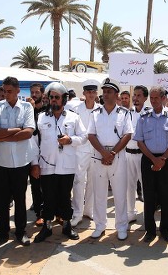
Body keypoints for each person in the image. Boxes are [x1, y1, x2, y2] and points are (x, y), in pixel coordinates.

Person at [0, 76, 38, 247]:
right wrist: (17, 130)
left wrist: (5, 135)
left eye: (9, 91)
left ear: (18, 91)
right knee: (1, 200)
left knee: (20, 199)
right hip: (0, 162)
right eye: (4, 91)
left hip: (20, 163)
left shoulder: (26, 107)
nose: (6, 94)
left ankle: (20, 232)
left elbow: (29, 132)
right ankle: (1, 234)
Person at [33, 82, 87, 242]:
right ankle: (47, 227)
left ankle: (67, 226)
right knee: (48, 198)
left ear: (64, 99)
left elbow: (84, 137)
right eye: (51, 97)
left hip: (67, 166)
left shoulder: (73, 117)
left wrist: (70, 140)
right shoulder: (41, 118)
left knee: (65, 197)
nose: (54, 100)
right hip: (47, 165)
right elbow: (34, 142)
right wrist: (34, 164)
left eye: (57, 97)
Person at [134, 86, 168, 243]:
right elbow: (140, 141)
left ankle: (165, 229)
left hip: (167, 160)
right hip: (148, 159)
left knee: (166, 196)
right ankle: (150, 230)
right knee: (149, 196)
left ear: (163, 98)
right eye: (152, 98)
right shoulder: (143, 117)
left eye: (157, 98)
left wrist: (162, 159)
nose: (153, 101)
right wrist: (154, 160)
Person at [87, 78, 133, 241]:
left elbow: (128, 135)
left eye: (109, 92)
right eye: (104, 91)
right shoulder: (95, 114)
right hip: (98, 157)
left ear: (116, 94)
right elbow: (91, 135)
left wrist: (112, 153)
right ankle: (100, 225)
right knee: (99, 194)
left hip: (118, 157)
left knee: (120, 194)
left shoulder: (125, 113)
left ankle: (121, 226)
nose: (105, 94)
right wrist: (103, 153)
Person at [71, 79, 100, 226]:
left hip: (95, 150)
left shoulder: (101, 109)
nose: (91, 94)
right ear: (84, 93)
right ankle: (77, 213)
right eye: (89, 92)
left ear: (96, 93)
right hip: (80, 150)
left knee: (93, 181)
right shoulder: (76, 109)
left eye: (93, 92)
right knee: (79, 181)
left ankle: (89, 210)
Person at [126, 85, 150, 223]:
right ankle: (130, 212)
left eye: (139, 95)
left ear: (145, 98)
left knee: (146, 186)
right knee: (129, 185)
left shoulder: (149, 114)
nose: (135, 98)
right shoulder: (127, 113)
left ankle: (147, 213)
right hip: (128, 154)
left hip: (143, 155)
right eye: (134, 95)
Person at [27, 83, 46, 226]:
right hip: (33, 153)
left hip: (48, 153)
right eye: (32, 92)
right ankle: (39, 213)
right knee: (35, 184)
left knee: (50, 184)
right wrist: (31, 109)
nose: (34, 95)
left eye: (37, 92)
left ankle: (54, 211)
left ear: (42, 94)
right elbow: (31, 131)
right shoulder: (28, 111)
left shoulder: (48, 111)